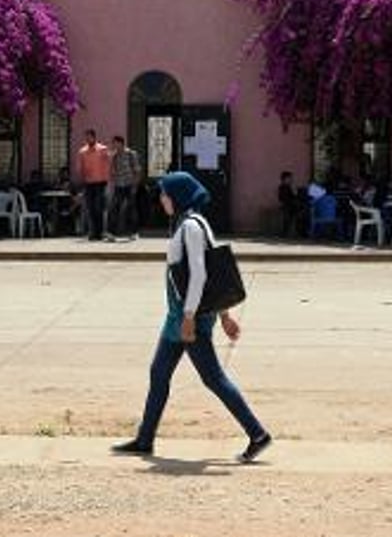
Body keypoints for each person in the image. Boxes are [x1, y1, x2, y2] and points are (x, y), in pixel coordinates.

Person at [111, 171, 272, 463]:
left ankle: (258, 434)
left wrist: (190, 317)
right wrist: (222, 315)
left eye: (164, 194)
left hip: (188, 318)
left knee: (213, 378)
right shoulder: (186, 224)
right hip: (178, 315)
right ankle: (145, 439)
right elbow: (206, 276)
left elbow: (200, 275)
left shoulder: (192, 227)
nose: (161, 199)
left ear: (177, 196)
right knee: (159, 373)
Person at [76, 129, 111, 241]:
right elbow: (80, 168)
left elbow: (109, 164)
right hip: (88, 183)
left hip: (101, 182)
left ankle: (100, 232)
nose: (87, 139)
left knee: (99, 207)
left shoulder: (102, 149)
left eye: (89, 137)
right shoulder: (82, 151)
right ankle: (92, 232)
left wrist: (108, 178)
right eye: (86, 137)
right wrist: (82, 180)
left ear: (94, 137)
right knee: (90, 208)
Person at [108, 135, 142, 240]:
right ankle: (111, 233)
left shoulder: (131, 154)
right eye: (113, 143)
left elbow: (137, 170)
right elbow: (113, 171)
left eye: (115, 143)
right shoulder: (114, 156)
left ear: (121, 143)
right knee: (114, 209)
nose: (113, 145)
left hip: (129, 185)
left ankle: (134, 232)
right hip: (118, 185)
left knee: (131, 209)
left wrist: (135, 186)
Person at [277, 171, 303, 237]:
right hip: (287, 205)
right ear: (285, 179)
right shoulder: (282, 187)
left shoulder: (291, 186)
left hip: (293, 205)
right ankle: (285, 233)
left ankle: (298, 232)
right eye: (289, 178)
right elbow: (281, 197)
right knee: (287, 218)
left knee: (298, 216)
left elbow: (296, 195)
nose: (291, 179)